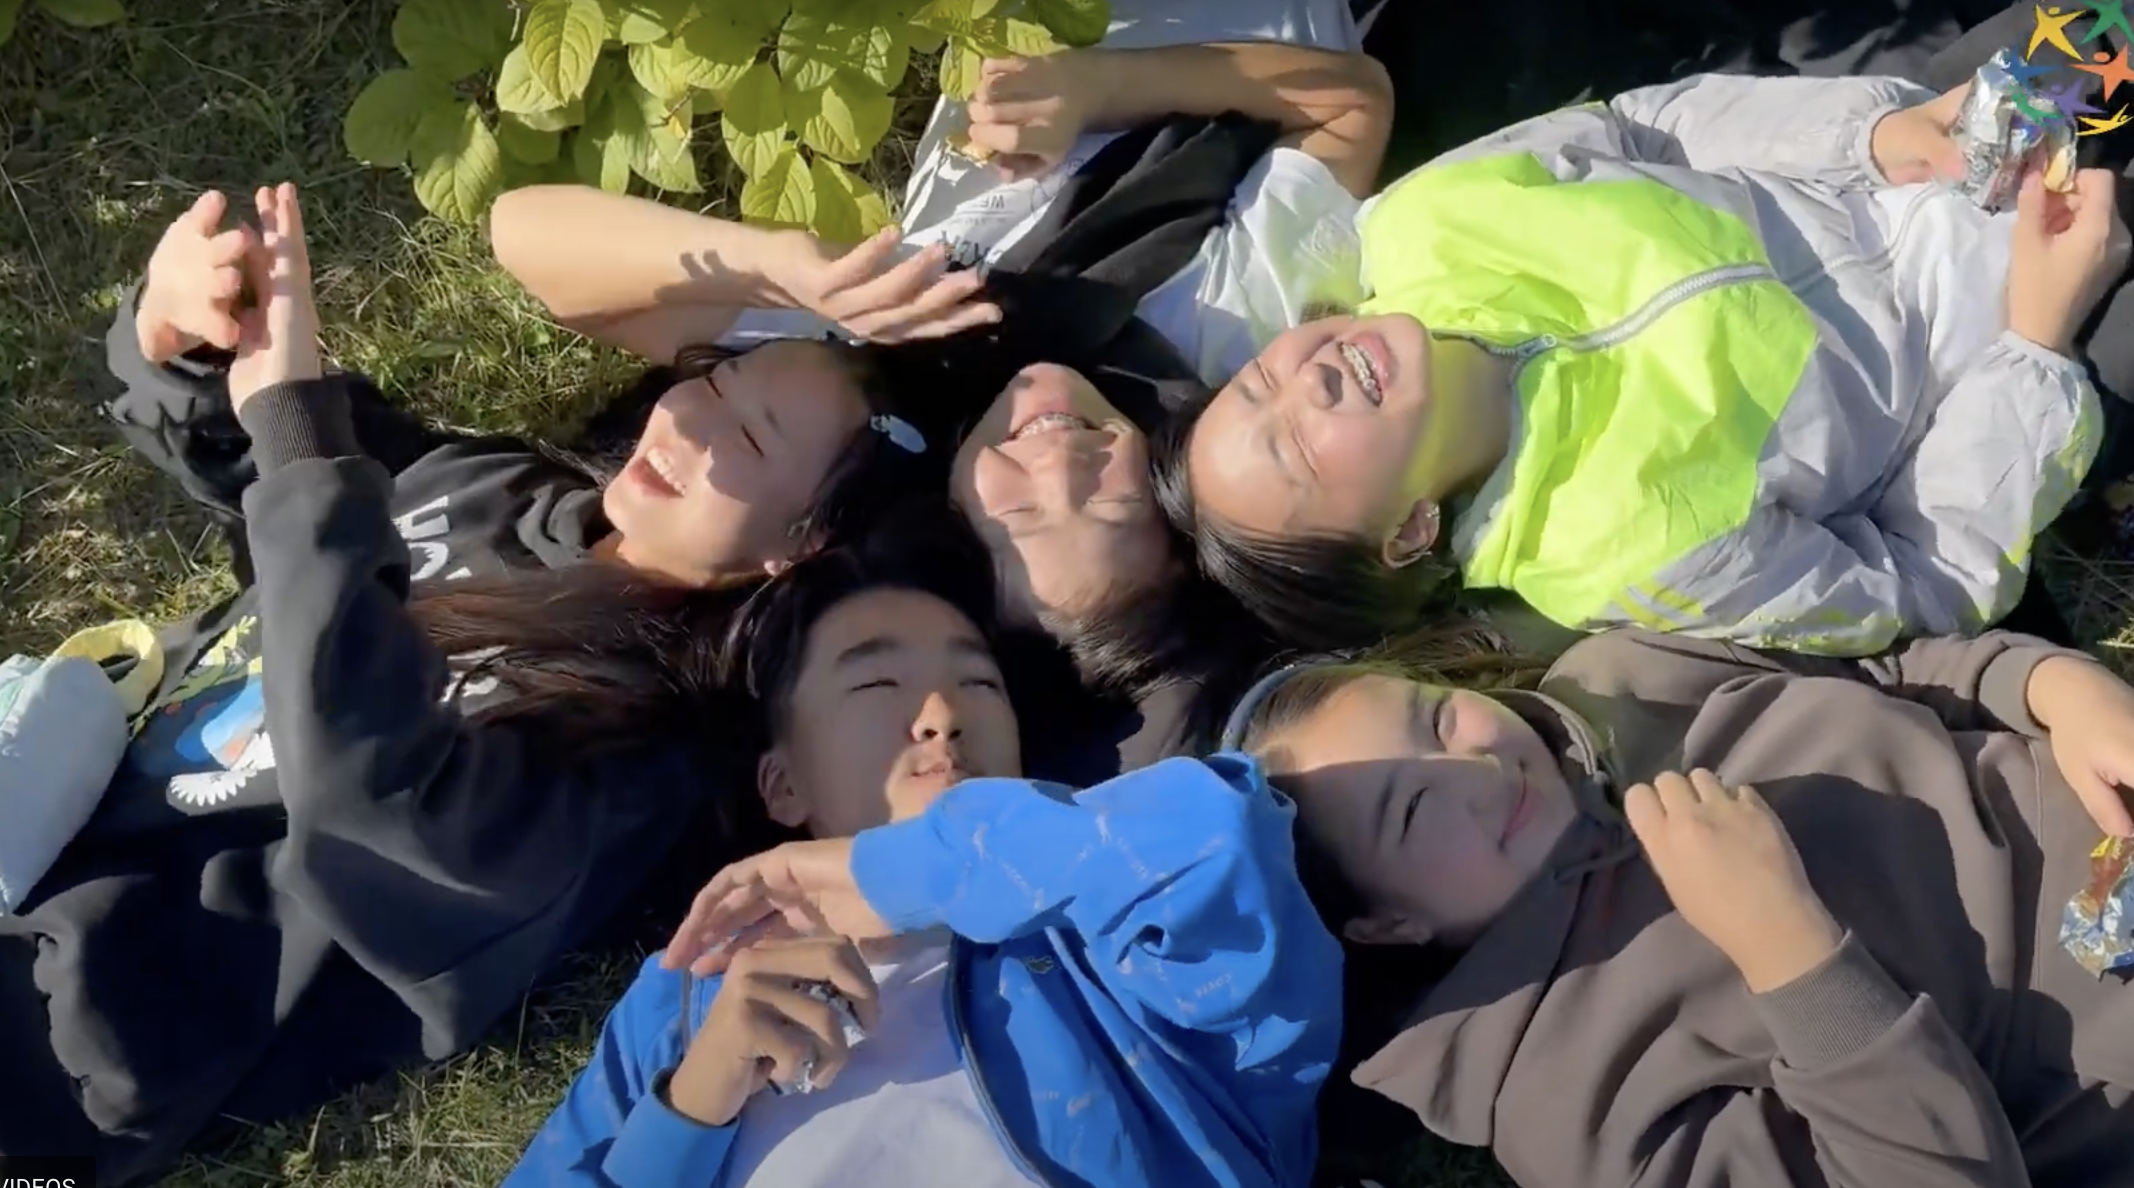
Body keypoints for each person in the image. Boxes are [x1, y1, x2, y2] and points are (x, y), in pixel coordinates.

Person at [0, 183, 922, 1183]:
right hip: (47, 763)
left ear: (802, 547)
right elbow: (251, 453)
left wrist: (299, 435)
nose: (689, 427)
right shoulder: (503, 491)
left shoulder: (638, 759)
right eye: (713, 382)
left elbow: (382, 807)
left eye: (748, 441)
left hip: (79, 1001)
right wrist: (179, 329)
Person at [489, 0, 1393, 669]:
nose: (1053, 466)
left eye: (724, 386)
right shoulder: (1210, 350)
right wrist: (1104, 88)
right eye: (1104, 502)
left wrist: (779, 263)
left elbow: (529, 244)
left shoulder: (866, 364)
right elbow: (1351, 106)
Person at [1158, 69, 2131, 655]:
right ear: (1405, 533)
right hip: (2056, 325)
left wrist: (1876, 137)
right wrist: (2035, 346)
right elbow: (1928, 580)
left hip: (1957, 141)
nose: (1306, 381)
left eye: (1259, 384)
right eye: (1297, 450)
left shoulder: (1418, 224)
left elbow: (1641, 125)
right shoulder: (1621, 559)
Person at [500, 528, 1343, 1188]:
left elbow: (1220, 839)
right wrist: (691, 1105)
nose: (941, 713)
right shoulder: (687, 991)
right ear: (781, 784)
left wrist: (901, 872)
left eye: (979, 685)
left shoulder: (1108, 941)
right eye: (875, 686)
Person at [1225, 621, 2134, 1187]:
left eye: (1436, 718)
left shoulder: (1613, 674)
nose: (1479, 768)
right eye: (1414, 807)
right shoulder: (1566, 1110)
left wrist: (2056, 688)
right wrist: (1790, 951)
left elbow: (1887, 656)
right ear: (1389, 925)